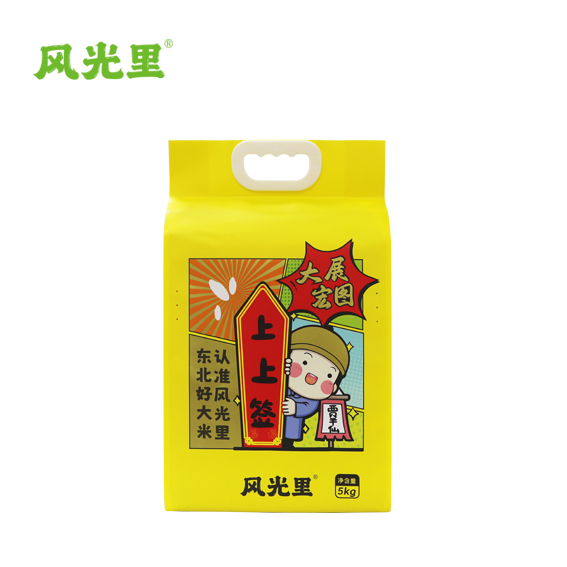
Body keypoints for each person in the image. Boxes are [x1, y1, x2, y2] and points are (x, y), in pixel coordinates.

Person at [281, 325, 350, 449]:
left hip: (291, 428)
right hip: (270, 420)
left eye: (329, 375)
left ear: (334, 387)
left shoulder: (311, 399)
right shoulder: (282, 380)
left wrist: (295, 408)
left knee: (287, 444)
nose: (312, 377)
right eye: (304, 362)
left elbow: (310, 407)